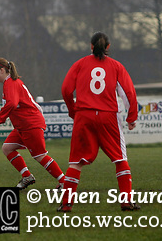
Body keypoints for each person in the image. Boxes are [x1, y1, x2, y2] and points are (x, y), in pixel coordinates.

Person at [58, 32, 139, 212]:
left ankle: (66, 204)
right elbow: (128, 93)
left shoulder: (79, 64)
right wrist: (131, 117)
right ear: (108, 47)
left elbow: (66, 89)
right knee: (120, 158)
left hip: (84, 115)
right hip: (107, 115)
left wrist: (73, 110)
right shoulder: (116, 66)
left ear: (91, 46)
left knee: (76, 162)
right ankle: (126, 201)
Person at [0, 57, 65, 190]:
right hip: (23, 126)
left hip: (31, 124)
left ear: (2, 70)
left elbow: (12, 104)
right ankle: (27, 176)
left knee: (40, 155)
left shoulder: (11, 83)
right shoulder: (10, 83)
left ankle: (64, 182)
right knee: (7, 148)